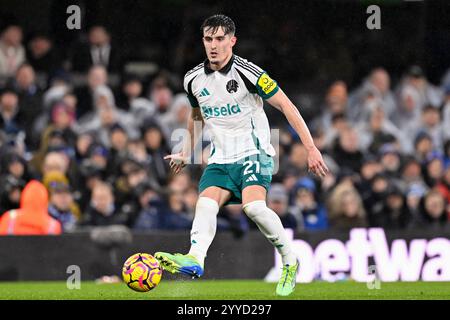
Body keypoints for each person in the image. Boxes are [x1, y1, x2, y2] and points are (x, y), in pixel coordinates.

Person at [154, 14, 328, 296]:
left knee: (253, 208)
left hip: (255, 150)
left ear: (232, 41)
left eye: (220, 39)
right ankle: (195, 259)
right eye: (209, 39)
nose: (214, 45)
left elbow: (287, 106)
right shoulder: (193, 79)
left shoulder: (249, 73)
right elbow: (196, 114)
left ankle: (290, 260)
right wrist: (187, 150)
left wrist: (310, 147)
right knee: (206, 204)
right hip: (221, 157)